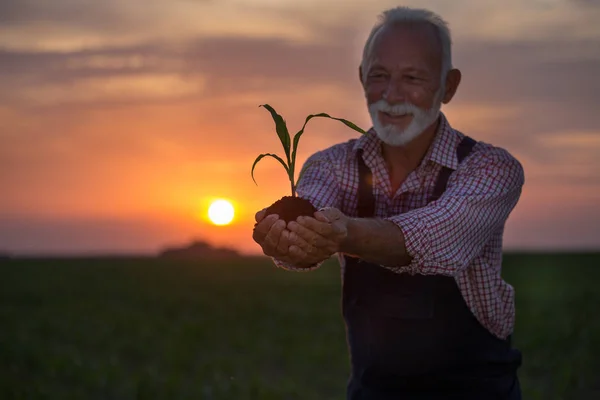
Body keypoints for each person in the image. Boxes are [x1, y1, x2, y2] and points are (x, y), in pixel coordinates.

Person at [252, 6, 524, 400]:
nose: (391, 95)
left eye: (412, 77)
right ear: (362, 78)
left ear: (448, 86)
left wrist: (342, 232)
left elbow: (438, 234)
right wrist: (290, 236)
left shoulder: (490, 169)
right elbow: (311, 204)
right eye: (379, 76)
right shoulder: (333, 164)